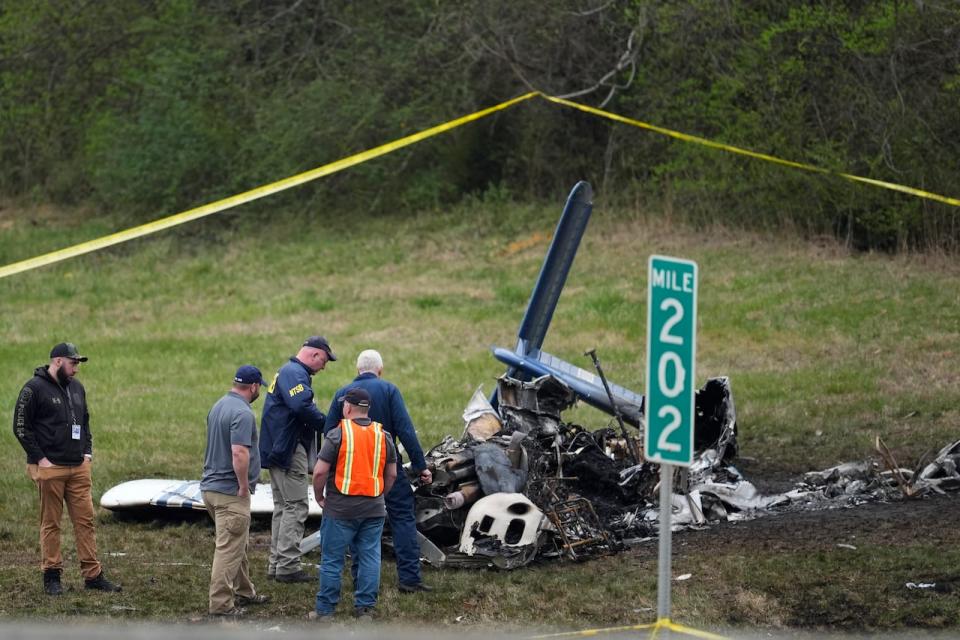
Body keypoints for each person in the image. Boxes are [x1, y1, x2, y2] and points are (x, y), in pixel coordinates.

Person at [12, 342, 121, 596]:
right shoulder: (33, 389)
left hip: (78, 467)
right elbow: (20, 427)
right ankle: (52, 576)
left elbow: (84, 421)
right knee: (51, 524)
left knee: (86, 521)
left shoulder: (77, 388)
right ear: (58, 361)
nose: (77, 369)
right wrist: (40, 459)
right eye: (73, 363)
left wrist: (87, 452)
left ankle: (93, 575)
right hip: (50, 468)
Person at [324, 349, 433, 593]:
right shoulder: (389, 390)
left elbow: (329, 432)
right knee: (403, 518)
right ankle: (409, 579)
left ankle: (359, 579)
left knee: (355, 523)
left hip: (351, 472)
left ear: (357, 370)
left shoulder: (343, 394)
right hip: (385, 469)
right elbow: (405, 430)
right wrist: (420, 466)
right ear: (380, 370)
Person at [312, 387, 397, 621]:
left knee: (332, 559)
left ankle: (325, 611)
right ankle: (365, 608)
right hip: (373, 509)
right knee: (370, 557)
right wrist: (380, 494)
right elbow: (391, 474)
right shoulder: (383, 435)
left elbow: (319, 472)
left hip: (340, 509)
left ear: (347, 407)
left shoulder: (338, 434)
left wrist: (319, 496)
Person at [259, 335, 336, 583]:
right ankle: (288, 566)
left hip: (277, 449)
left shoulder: (287, 371)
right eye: (323, 361)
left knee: (283, 506)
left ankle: (277, 564)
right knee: (296, 505)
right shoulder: (294, 372)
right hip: (289, 450)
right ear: (314, 355)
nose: (323, 367)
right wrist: (328, 425)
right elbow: (301, 406)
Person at [200, 365, 271, 617]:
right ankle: (221, 606)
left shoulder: (218, 405)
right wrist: (242, 485)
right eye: (258, 388)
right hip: (230, 492)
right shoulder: (243, 413)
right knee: (228, 549)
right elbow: (239, 452)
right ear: (253, 387)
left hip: (210, 489)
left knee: (234, 543)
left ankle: (244, 591)